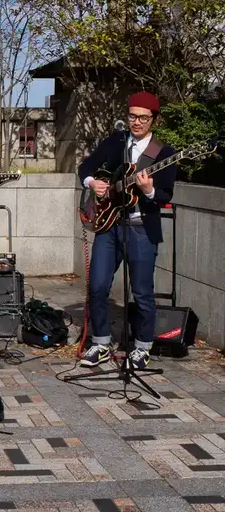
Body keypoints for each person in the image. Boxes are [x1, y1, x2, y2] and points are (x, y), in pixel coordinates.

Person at [78, 92, 176, 370]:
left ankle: (142, 347)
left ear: (153, 119)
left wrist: (149, 190)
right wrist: (92, 182)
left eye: (143, 117)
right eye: (132, 116)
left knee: (142, 291)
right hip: (109, 226)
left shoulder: (164, 154)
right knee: (97, 286)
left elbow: (166, 193)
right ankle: (100, 342)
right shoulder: (115, 142)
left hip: (141, 228)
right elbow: (85, 166)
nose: (136, 122)